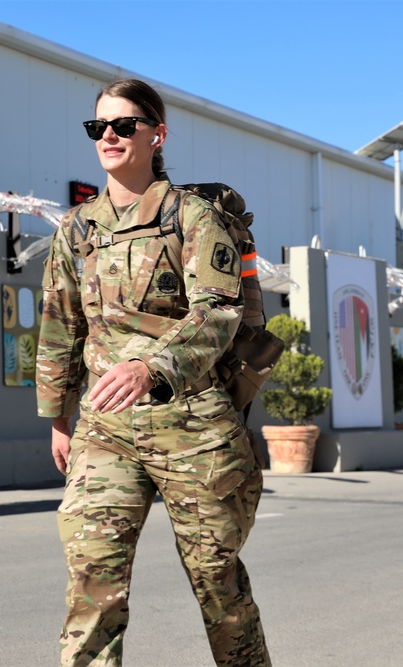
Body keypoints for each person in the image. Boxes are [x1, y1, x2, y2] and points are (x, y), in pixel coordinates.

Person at [36, 78, 271, 667]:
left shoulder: (194, 217)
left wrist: (152, 365)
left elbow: (218, 310)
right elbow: (60, 324)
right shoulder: (76, 229)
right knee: (92, 582)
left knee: (218, 583)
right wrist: (59, 416)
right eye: (98, 127)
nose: (108, 136)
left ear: (156, 134)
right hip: (105, 427)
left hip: (192, 424)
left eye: (122, 125)